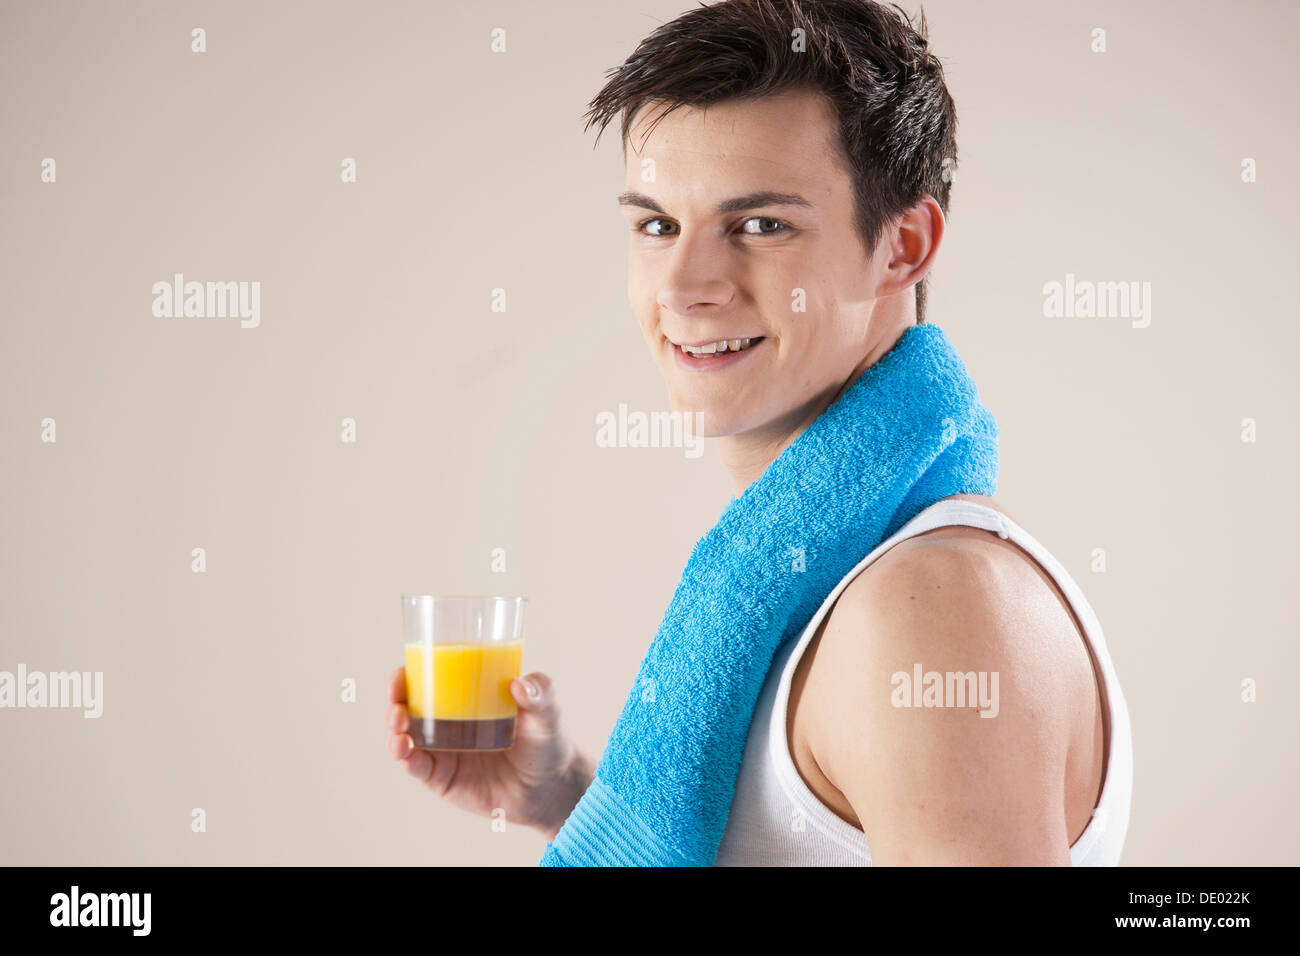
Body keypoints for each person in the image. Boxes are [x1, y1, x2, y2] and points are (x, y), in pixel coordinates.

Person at [386, 0, 1132, 866]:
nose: (685, 285)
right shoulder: (832, 587)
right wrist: (572, 802)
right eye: (658, 224)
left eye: (760, 226)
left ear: (903, 245)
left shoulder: (930, 611)